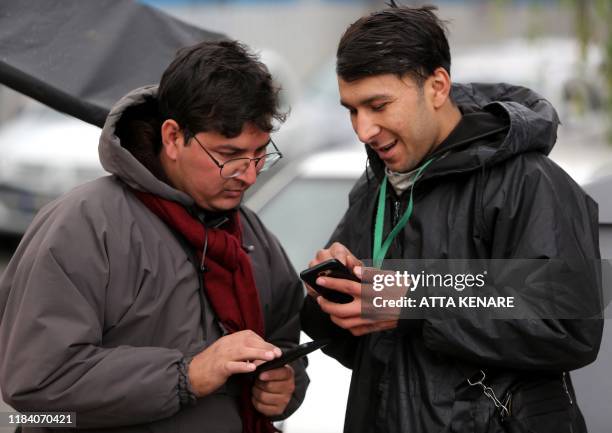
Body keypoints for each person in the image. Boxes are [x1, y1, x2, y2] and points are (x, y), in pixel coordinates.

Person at [301, 4, 603, 433]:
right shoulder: (377, 189)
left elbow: (569, 319)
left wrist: (418, 300)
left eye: (378, 105)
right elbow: (361, 348)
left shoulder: (529, 180)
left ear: (437, 86)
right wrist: (332, 295)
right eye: (352, 110)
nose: (363, 130)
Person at [0, 40, 308, 433]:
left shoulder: (251, 233)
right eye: (228, 155)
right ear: (172, 137)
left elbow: (284, 343)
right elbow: (35, 385)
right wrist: (186, 376)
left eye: (261, 154)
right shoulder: (84, 225)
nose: (248, 175)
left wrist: (286, 385)